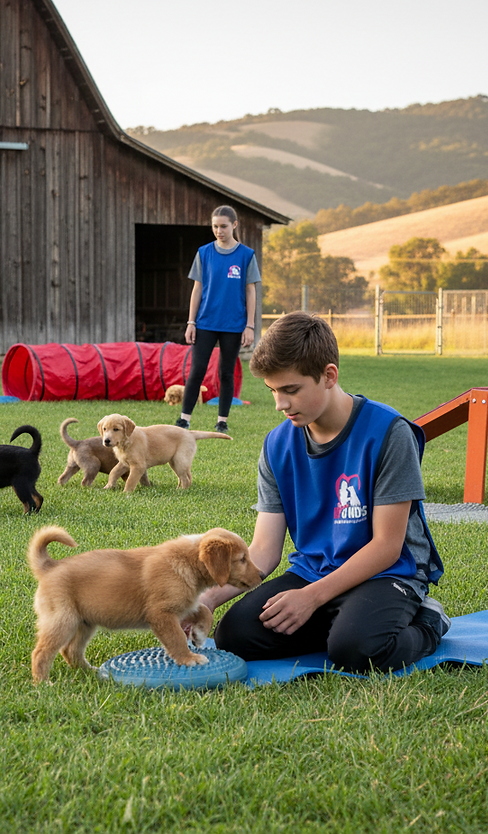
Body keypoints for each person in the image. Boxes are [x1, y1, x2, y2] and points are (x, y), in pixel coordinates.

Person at [203, 311, 449, 673]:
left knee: (356, 652)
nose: (280, 404)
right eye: (272, 391)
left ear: (329, 376)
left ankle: (427, 622)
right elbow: (264, 551)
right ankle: (341, 622)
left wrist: (311, 598)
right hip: (313, 572)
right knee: (235, 636)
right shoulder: (277, 445)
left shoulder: (388, 433)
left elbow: (387, 547)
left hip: (388, 573)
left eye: (291, 390)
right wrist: (206, 601)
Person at [176, 205, 260, 434]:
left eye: (223, 226)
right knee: (197, 371)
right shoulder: (204, 253)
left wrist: (249, 326)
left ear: (234, 225)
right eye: (215, 226)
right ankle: (184, 420)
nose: (219, 231)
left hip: (233, 325)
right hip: (205, 323)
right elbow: (197, 289)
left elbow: (251, 292)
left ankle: (222, 421)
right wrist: (191, 322)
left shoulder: (246, 255)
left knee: (226, 372)